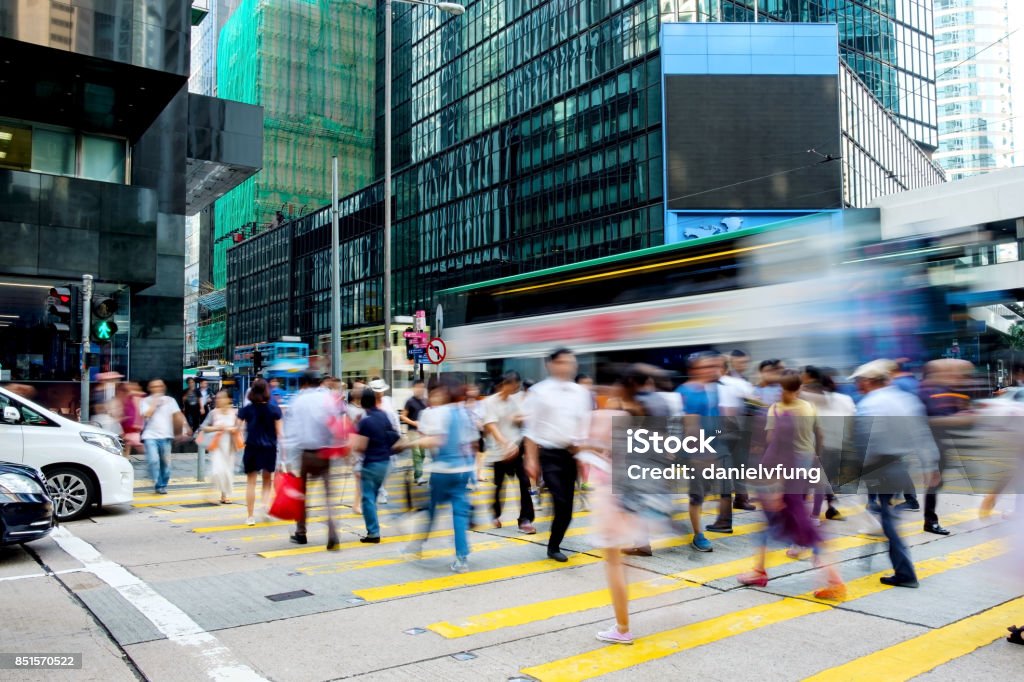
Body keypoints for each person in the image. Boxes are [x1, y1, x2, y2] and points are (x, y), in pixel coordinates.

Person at [738, 370, 846, 600]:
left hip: (787, 473)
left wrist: (775, 485)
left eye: (785, 388)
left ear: (795, 389)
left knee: (805, 530)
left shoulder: (780, 412)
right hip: (797, 467)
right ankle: (759, 570)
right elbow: (818, 436)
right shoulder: (803, 408)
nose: (783, 392)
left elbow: (776, 445)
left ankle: (835, 581)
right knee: (772, 526)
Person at [853, 359, 941, 588]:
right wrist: (930, 465)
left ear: (871, 381)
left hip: (880, 467)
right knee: (884, 515)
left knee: (886, 519)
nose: (858, 385)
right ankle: (875, 560)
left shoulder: (870, 404)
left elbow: (868, 441)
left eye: (860, 381)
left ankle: (905, 573)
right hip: (899, 467)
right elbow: (921, 434)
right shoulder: (905, 400)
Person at [524, 348, 592, 562]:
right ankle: (553, 547)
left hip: (571, 455)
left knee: (568, 510)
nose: (568, 366)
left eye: (571, 362)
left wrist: (583, 456)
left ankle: (554, 544)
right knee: (561, 499)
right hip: (549, 454)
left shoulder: (581, 393)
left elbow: (583, 425)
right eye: (563, 362)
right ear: (550, 364)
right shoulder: (539, 392)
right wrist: (531, 459)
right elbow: (530, 430)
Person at [406, 377, 480, 572]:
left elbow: (435, 440)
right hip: (463, 471)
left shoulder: (441, 412)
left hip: (443, 471)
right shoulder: (467, 413)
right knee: (459, 515)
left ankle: (417, 544)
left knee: (431, 510)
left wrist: (409, 444)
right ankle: (462, 558)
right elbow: (473, 443)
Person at [283, 372, 341, 550]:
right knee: (328, 495)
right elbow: (336, 426)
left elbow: (290, 432)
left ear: (305, 383)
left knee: (302, 495)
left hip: (305, 454)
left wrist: (285, 459)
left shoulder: (298, 401)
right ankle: (332, 533)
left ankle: (301, 532)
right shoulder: (329, 399)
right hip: (325, 453)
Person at [676, 351, 727, 550]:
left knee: (705, 491)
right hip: (699, 452)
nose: (711, 370)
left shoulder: (712, 389)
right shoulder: (687, 392)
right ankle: (698, 534)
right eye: (706, 366)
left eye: (714, 366)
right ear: (693, 370)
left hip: (714, 447)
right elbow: (690, 427)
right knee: (697, 494)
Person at [918, 359, 973, 535]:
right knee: (934, 483)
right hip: (929, 446)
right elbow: (927, 422)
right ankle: (930, 521)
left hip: (941, 446)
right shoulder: (925, 393)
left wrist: (964, 415)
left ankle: (929, 519)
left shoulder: (945, 391)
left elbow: (956, 418)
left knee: (936, 483)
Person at [483, 371, 536, 534]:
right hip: (500, 451)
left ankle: (525, 520)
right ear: (504, 384)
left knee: (524, 482)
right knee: (499, 485)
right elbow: (491, 426)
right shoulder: (490, 402)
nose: (516, 388)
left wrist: (526, 418)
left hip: (516, 448)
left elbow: (518, 417)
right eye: (514, 385)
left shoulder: (515, 399)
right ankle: (496, 514)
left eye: (517, 385)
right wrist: (506, 444)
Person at [802, 366, 856, 523]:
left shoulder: (809, 398)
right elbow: (851, 424)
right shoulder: (846, 399)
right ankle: (830, 507)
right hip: (837, 447)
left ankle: (812, 516)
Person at [352, 388, 401, 543]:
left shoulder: (365, 422)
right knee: (373, 495)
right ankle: (375, 526)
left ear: (362, 402)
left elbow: (360, 446)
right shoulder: (383, 415)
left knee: (367, 498)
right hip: (386, 462)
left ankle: (373, 533)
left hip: (371, 463)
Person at [237, 378, 283, 525]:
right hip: (269, 448)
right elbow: (280, 432)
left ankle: (250, 516)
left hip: (251, 447)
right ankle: (264, 506)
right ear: (266, 391)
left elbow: (236, 428)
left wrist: (241, 439)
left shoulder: (246, 410)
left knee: (251, 482)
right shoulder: (275, 409)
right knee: (267, 480)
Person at [140, 379, 188, 494]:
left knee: (166, 465)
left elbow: (178, 415)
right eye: (154, 386)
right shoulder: (145, 401)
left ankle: (163, 484)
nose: (157, 388)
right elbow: (146, 415)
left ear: (163, 387)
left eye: (159, 386)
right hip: (150, 436)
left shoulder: (170, 400)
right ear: (149, 388)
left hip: (166, 436)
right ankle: (158, 484)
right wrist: (154, 403)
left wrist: (184, 429)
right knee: (153, 460)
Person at [200, 390, 240, 504]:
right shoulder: (213, 413)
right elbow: (203, 427)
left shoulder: (235, 412)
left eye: (221, 398)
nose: (218, 400)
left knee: (227, 471)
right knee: (217, 470)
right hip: (217, 446)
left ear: (228, 399)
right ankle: (210, 492)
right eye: (217, 398)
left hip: (230, 446)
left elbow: (239, 428)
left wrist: (233, 429)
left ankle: (224, 495)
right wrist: (217, 428)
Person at [401, 380, 429, 485]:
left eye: (422, 387)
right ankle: (419, 476)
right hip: (412, 431)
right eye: (417, 387)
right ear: (413, 388)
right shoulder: (410, 401)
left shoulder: (425, 401)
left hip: (423, 432)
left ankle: (418, 474)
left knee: (422, 454)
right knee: (417, 453)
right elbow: (403, 416)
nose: (420, 389)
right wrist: (414, 423)